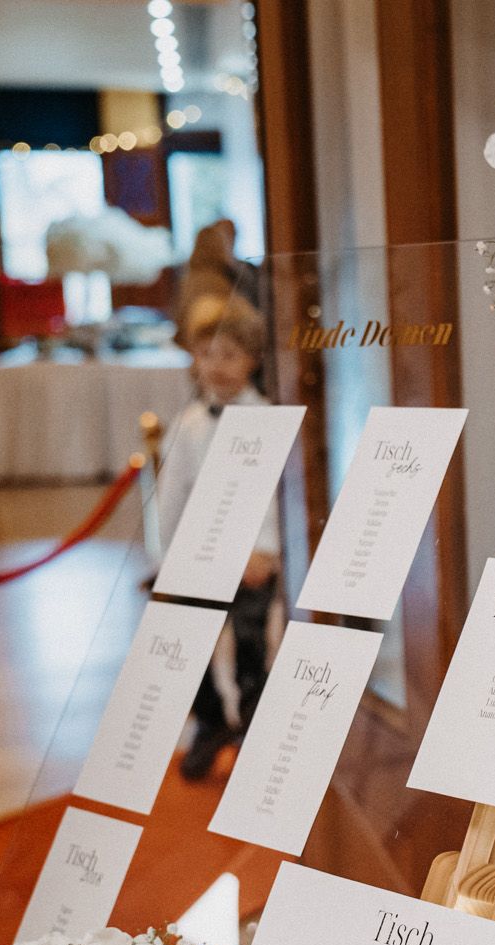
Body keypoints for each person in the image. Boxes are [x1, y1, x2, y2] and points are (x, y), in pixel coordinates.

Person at [155, 295, 280, 779]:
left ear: (253, 359)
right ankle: (210, 722)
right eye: (207, 354)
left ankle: (253, 725)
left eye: (230, 355)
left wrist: (266, 550)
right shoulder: (187, 426)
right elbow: (172, 498)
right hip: (200, 556)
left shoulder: (269, 417)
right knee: (190, 644)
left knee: (251, 642)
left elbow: (272, 493)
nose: (217, 366)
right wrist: (171, 560)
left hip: (251, 558)